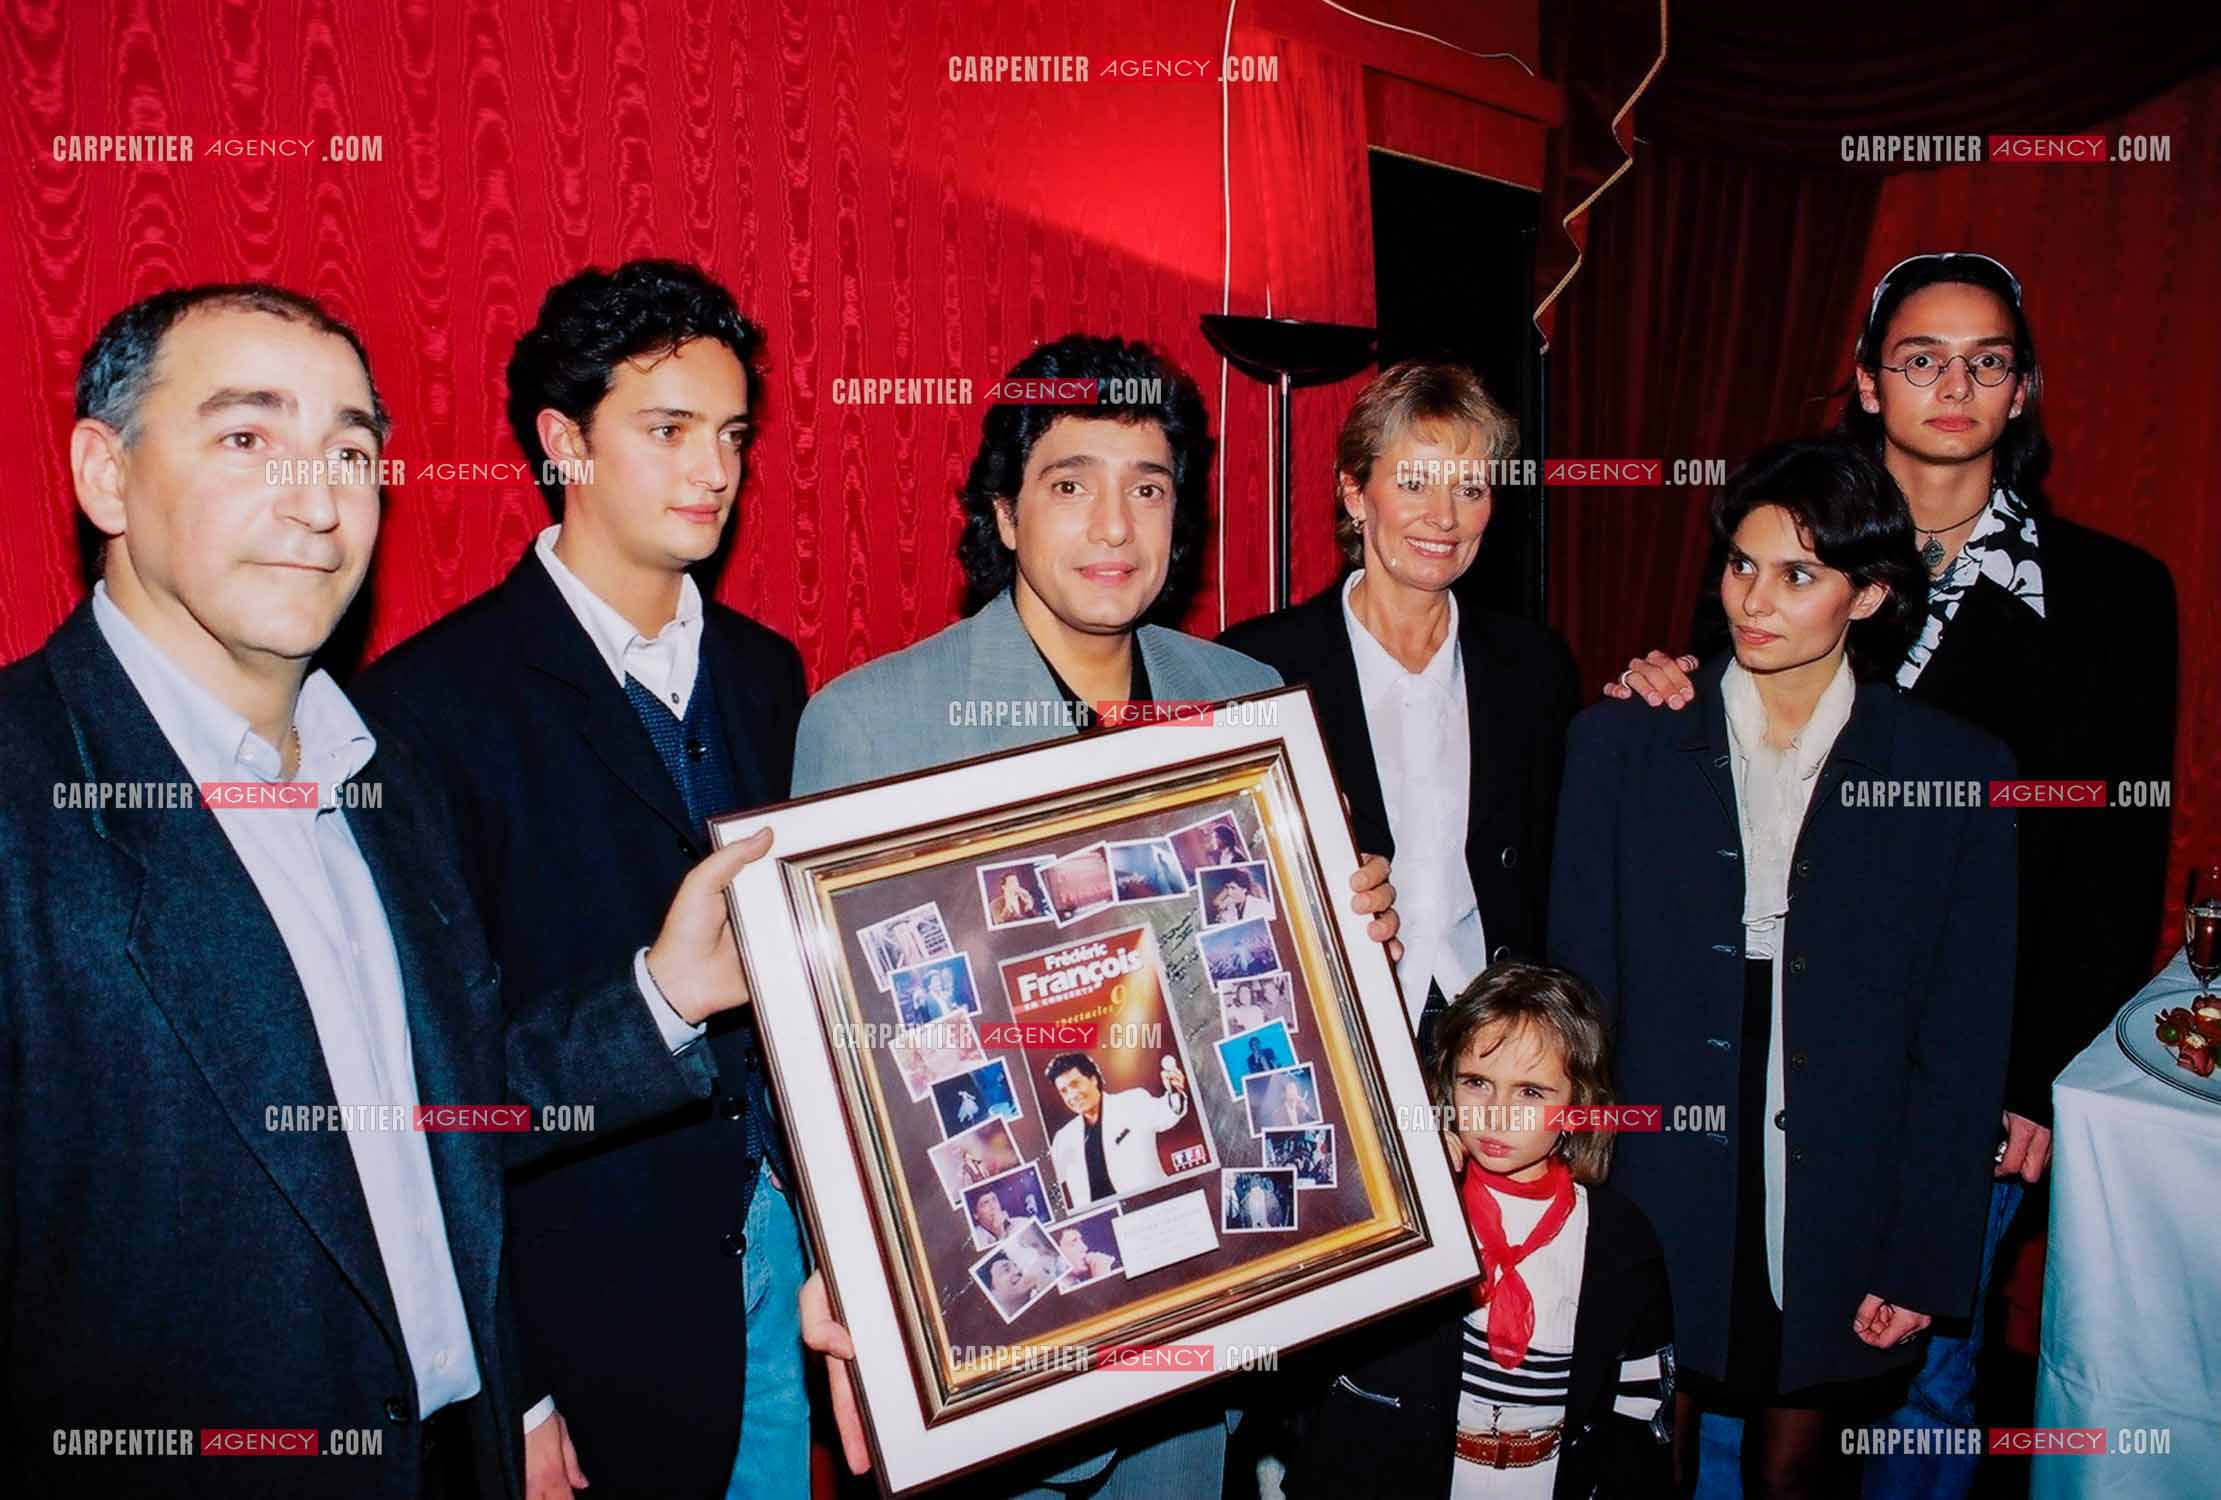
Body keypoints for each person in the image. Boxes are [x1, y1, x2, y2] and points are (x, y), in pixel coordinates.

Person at [4, 282, 767, 1500]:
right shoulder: (27, 797)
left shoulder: (379, 775)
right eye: (246, 437)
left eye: (351, 452)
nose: (316, 500)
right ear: (106, 475)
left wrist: (664, 995)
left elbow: (443, 1117)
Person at [786, 333, 1402, 1498]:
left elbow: (1269, 997)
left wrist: (1344, 932)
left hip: (1202, 1308)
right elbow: (826, 1068)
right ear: (1005, 514)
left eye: (1148, 489)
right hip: (994, 1334)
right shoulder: (870, 726)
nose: (1115, 527)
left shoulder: (1242, 703)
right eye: (1071, 485)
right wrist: (858, 1272)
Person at [1606, 255, 2177, 1500]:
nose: (1952, 386)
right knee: (1716, 1367)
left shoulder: (2113, 595)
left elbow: (2113, 864)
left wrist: (2031, 1080)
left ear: (2020, 389)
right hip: (1763, 1056)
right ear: (1869, 382)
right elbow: (1717, 757)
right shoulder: (1784, 540)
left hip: (1960, 1077)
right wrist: (1661, 678)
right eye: (1921, 358)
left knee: (1918, 1380)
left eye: (1986, 362)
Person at [354, 259, 808, 1500]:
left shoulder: (769, 673)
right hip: (585, 1316)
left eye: (731, 435)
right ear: (565, 443)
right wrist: (518, 1383)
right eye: (668, 431)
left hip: (783, 1261)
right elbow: (434, 1091)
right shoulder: (428, 708)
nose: (713, 469)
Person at [1554, 437, 2017, 1497]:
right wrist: (1574, 1202)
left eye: (1797, 575)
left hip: (1846, 1179)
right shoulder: (1620, 744)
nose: (1754, 601)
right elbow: (1579, 1005)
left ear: (1870, 595)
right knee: (1635, 1467)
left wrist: (1922, 1254)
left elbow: (1961, 1041)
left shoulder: (1954, 770)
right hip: (1658, 1163)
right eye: (1740, 565)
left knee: (1797, 1477)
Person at [1222, 361, 1580, 1053]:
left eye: (1469, 488)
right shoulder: (1259, 668)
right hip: (1334, 1031)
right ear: (1354, 493)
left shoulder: (1535, 666)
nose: (1443, 518)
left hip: (1496, 1041)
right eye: (1414, 483)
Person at [1283, 961, 1673, 1498]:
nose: (1496, 1114)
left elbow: (1641, 1403)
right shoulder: (1411, 1207)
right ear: (1448, 1084)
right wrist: (1410, 1193)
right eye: (1477, 1083)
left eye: (1530, 1093)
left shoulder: (1619, 1238)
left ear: (1579, 1105)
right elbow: (1320, 1337)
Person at [1044, 1051, 1191, 1208]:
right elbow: (1048, 1181)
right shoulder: (1064, 1138)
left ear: (1093, 1079)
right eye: (1064, 1091)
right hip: (1101, 1220)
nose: (1072, 1095)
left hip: (1149, 1208)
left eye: (1075, 1084)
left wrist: (1174, 1092)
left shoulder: (1132, 1102)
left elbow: (1167, 1112)